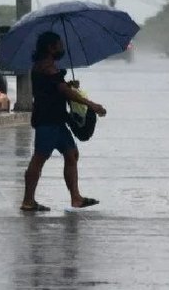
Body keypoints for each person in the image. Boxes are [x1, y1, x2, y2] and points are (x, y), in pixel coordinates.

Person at [20, 31, 107, 212]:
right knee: (39, 158)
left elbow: (57, 88)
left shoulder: (48, 67)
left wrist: (67, 85)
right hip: (48, 120)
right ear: (50, 47)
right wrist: (92, 104)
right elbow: (62, 91)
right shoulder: (46, 67)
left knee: (71, 154)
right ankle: (28, 201)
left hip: (58, 120)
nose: (62, 48)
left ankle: (76, 198)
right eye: (59, 45)